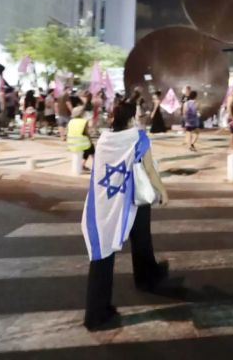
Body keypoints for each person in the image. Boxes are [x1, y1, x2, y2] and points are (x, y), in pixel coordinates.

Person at [83, 101, 169, 331]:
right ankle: (96, 316)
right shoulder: (138, 137)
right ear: (132, 118)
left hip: (104, 203)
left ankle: (147, 275)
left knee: (105, 253)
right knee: (133, 242)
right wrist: (163, 190)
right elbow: (149, 169)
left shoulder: (104, 140)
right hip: (131, 198)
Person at [67, 106, 95, 171]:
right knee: (91, 147)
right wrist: (90, 141)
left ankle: (83, 165)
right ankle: (93, 164)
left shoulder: (71, 121)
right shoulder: (84, 121)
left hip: (71, 143)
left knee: (87, 148)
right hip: (81, 143)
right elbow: (86, 133)